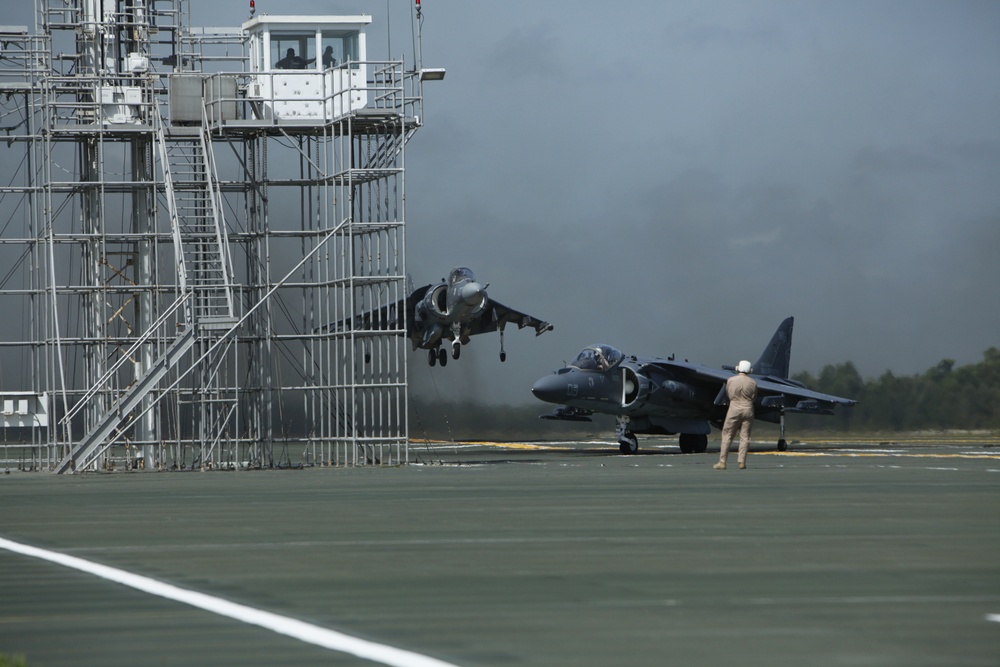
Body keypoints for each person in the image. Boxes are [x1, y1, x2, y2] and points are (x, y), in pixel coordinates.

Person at [714, 360, 757, 470]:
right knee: (745, 436)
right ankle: (742, 462)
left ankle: (722, 462)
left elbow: (729, 393)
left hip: (734, 408)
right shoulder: (753, 382)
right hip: (748, 408)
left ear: (738, 368)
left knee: (727, 434)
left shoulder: (731, 380)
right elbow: (754, 396)